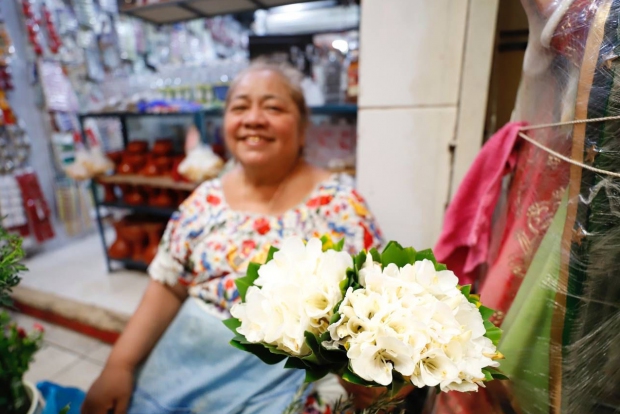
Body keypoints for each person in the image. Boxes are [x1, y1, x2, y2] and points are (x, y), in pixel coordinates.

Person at [82, 60, 383, 414]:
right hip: (182, 363)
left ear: (303, 129)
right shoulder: (204, 200)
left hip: (276, 386)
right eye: (239, 107)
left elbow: (363, 320)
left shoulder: (341, 206)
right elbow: (168, 286)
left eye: (273, 107)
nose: (253, 118)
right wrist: (119, 365)